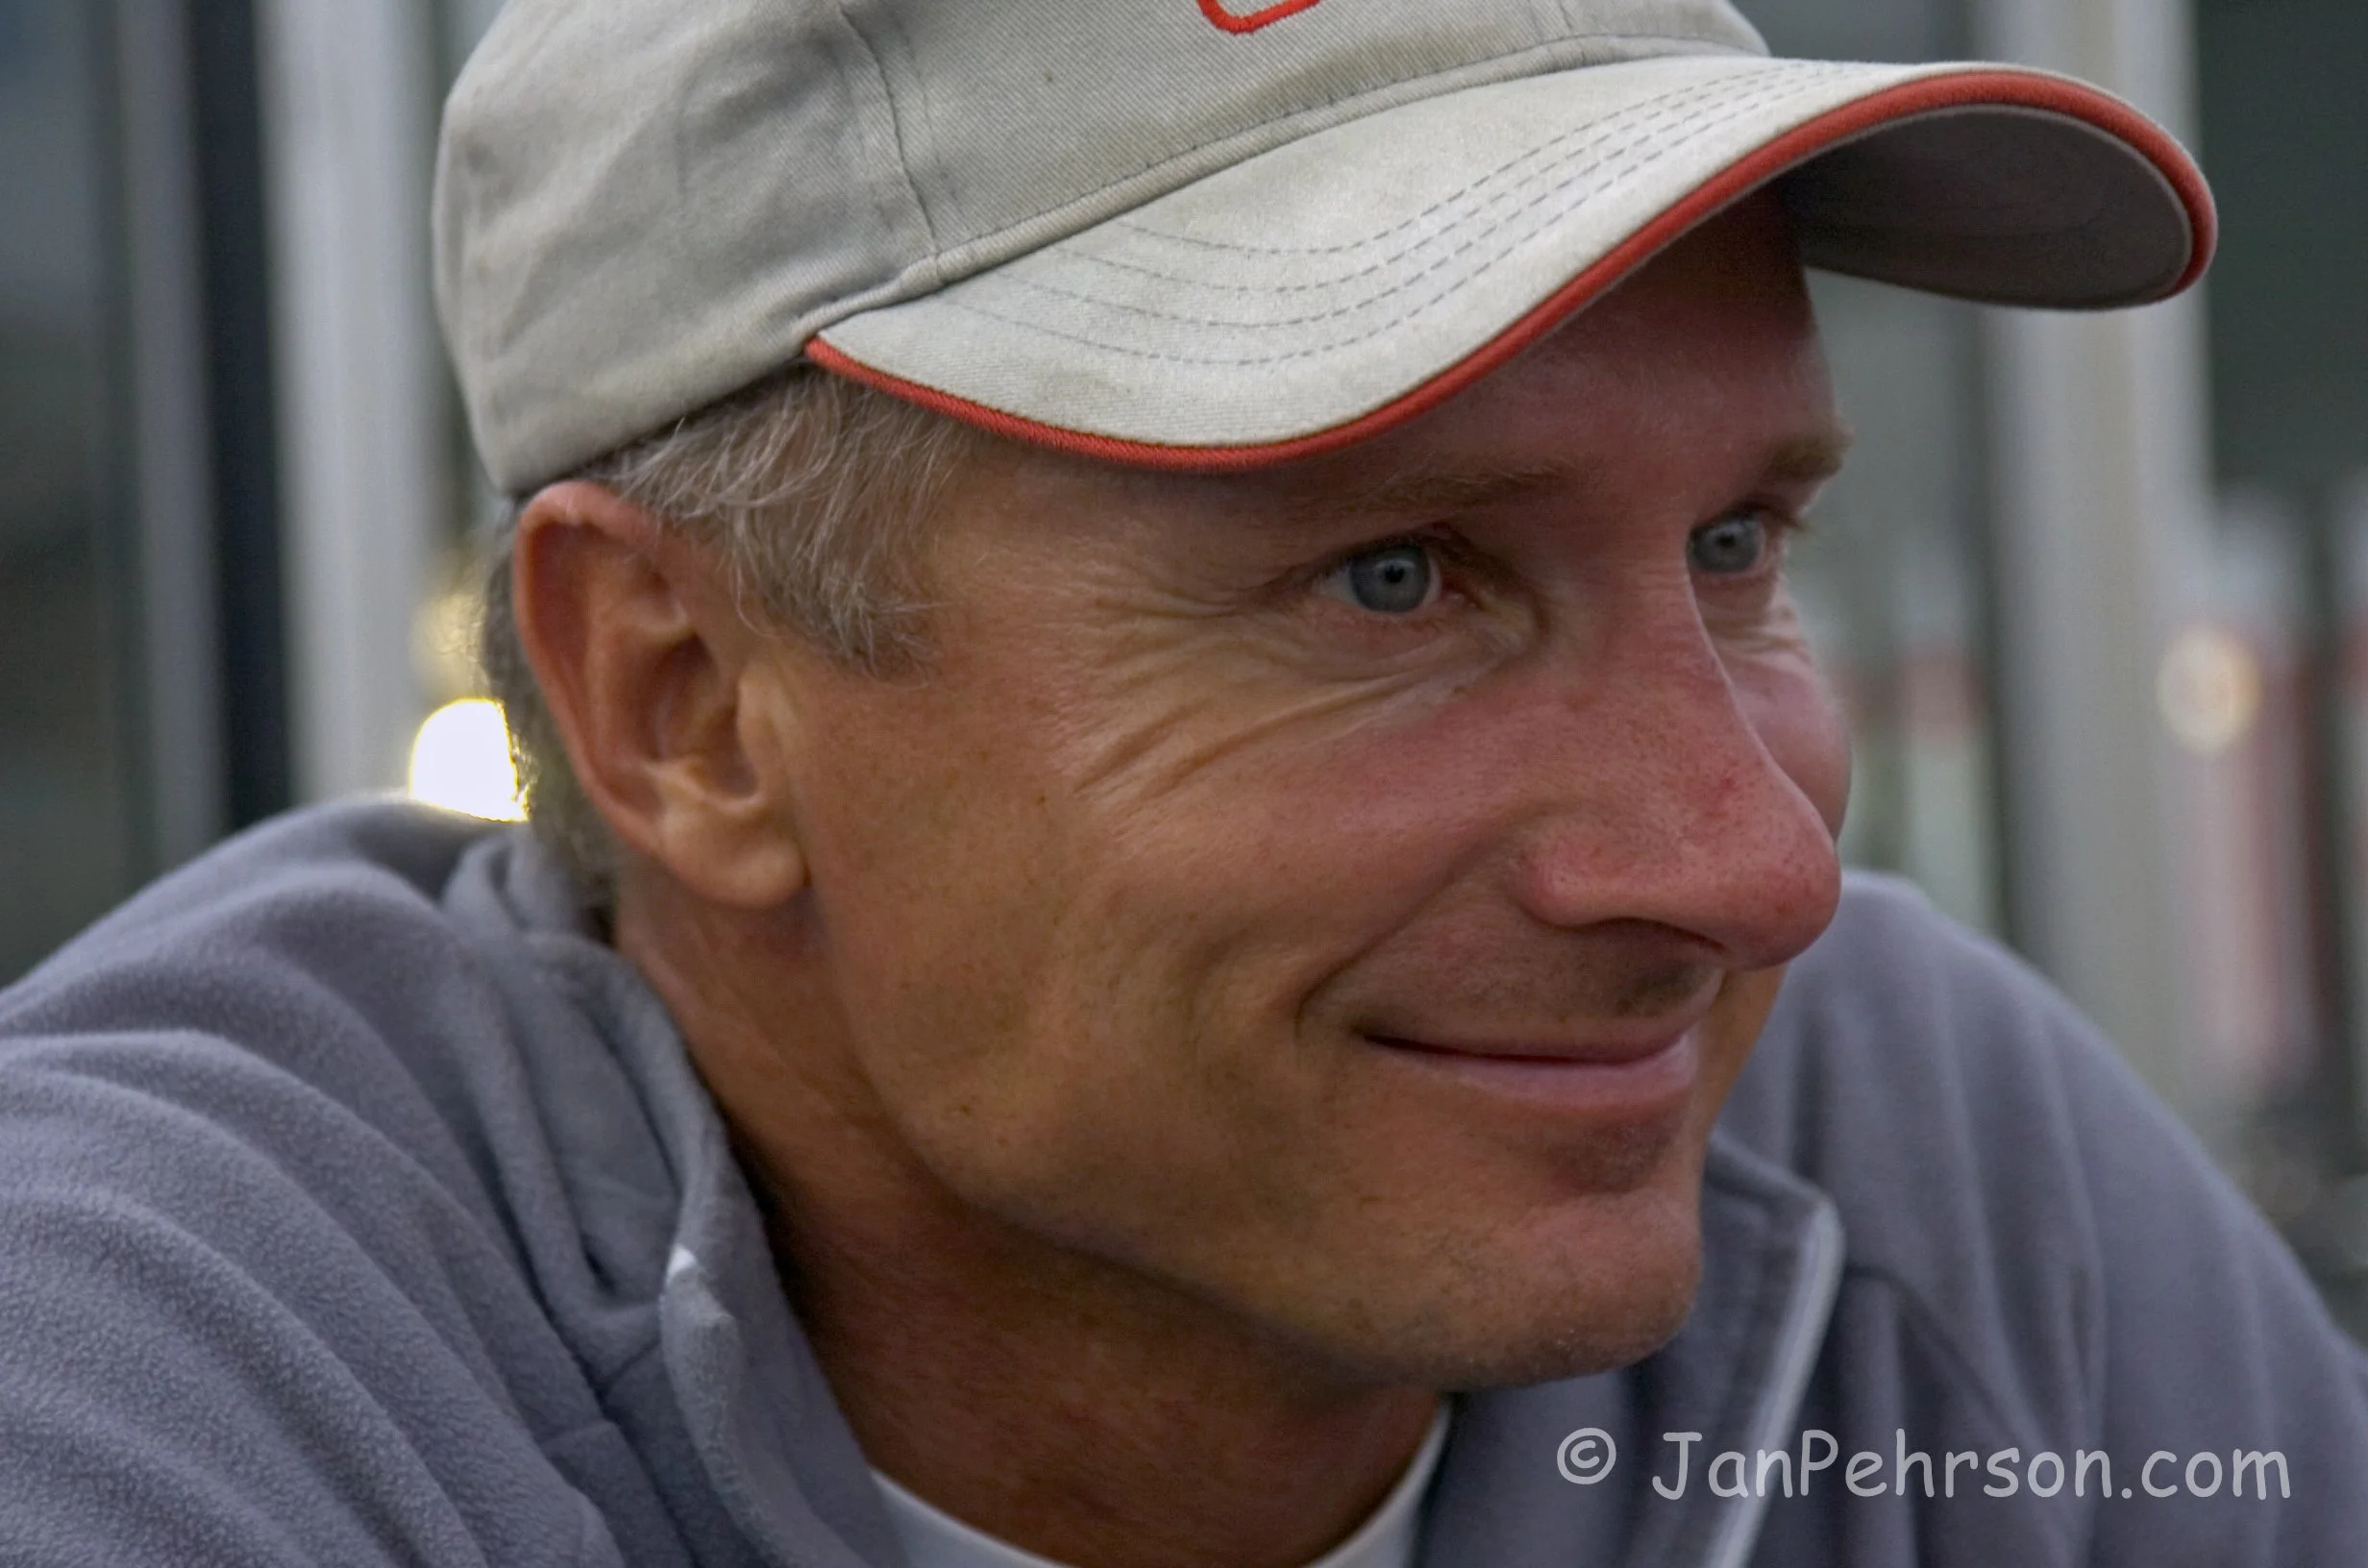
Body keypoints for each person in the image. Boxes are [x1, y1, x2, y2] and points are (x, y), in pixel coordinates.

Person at [1, 1, 2361, 1564]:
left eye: (1734, 545)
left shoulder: (1909, 1164)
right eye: (1392, 580)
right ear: (686, 700)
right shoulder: (153, 1375)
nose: (1746, 870)